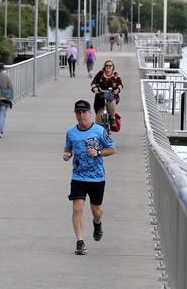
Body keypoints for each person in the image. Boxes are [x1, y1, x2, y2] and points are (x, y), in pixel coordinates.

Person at [63, 100, 116, 255]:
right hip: (78, 176)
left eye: (84, 112)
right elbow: (68, 148)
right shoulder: (71, 132)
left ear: (89, 113)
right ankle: (80, 242)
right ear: (75, 114)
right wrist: (67, 154)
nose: (81, 115)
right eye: (78, 113)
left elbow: (112, 149)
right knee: (77, 207)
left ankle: (97, 223)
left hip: (97, 178)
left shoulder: (99, 131)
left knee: (97, 211)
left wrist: (99, 152)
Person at [91, 60, 123, 127]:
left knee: (111, 99)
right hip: (101, 95)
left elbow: (120, 84)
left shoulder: (115, 75)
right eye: (106, 65)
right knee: (99, 115)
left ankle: (112, 118)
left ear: (113, 67)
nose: (108, 66)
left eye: (110, 65)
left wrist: (118, 89)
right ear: (104, 67)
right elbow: (93, 83)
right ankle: (97, 131)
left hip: (112, 94)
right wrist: (95, 88)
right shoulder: (100, 73)